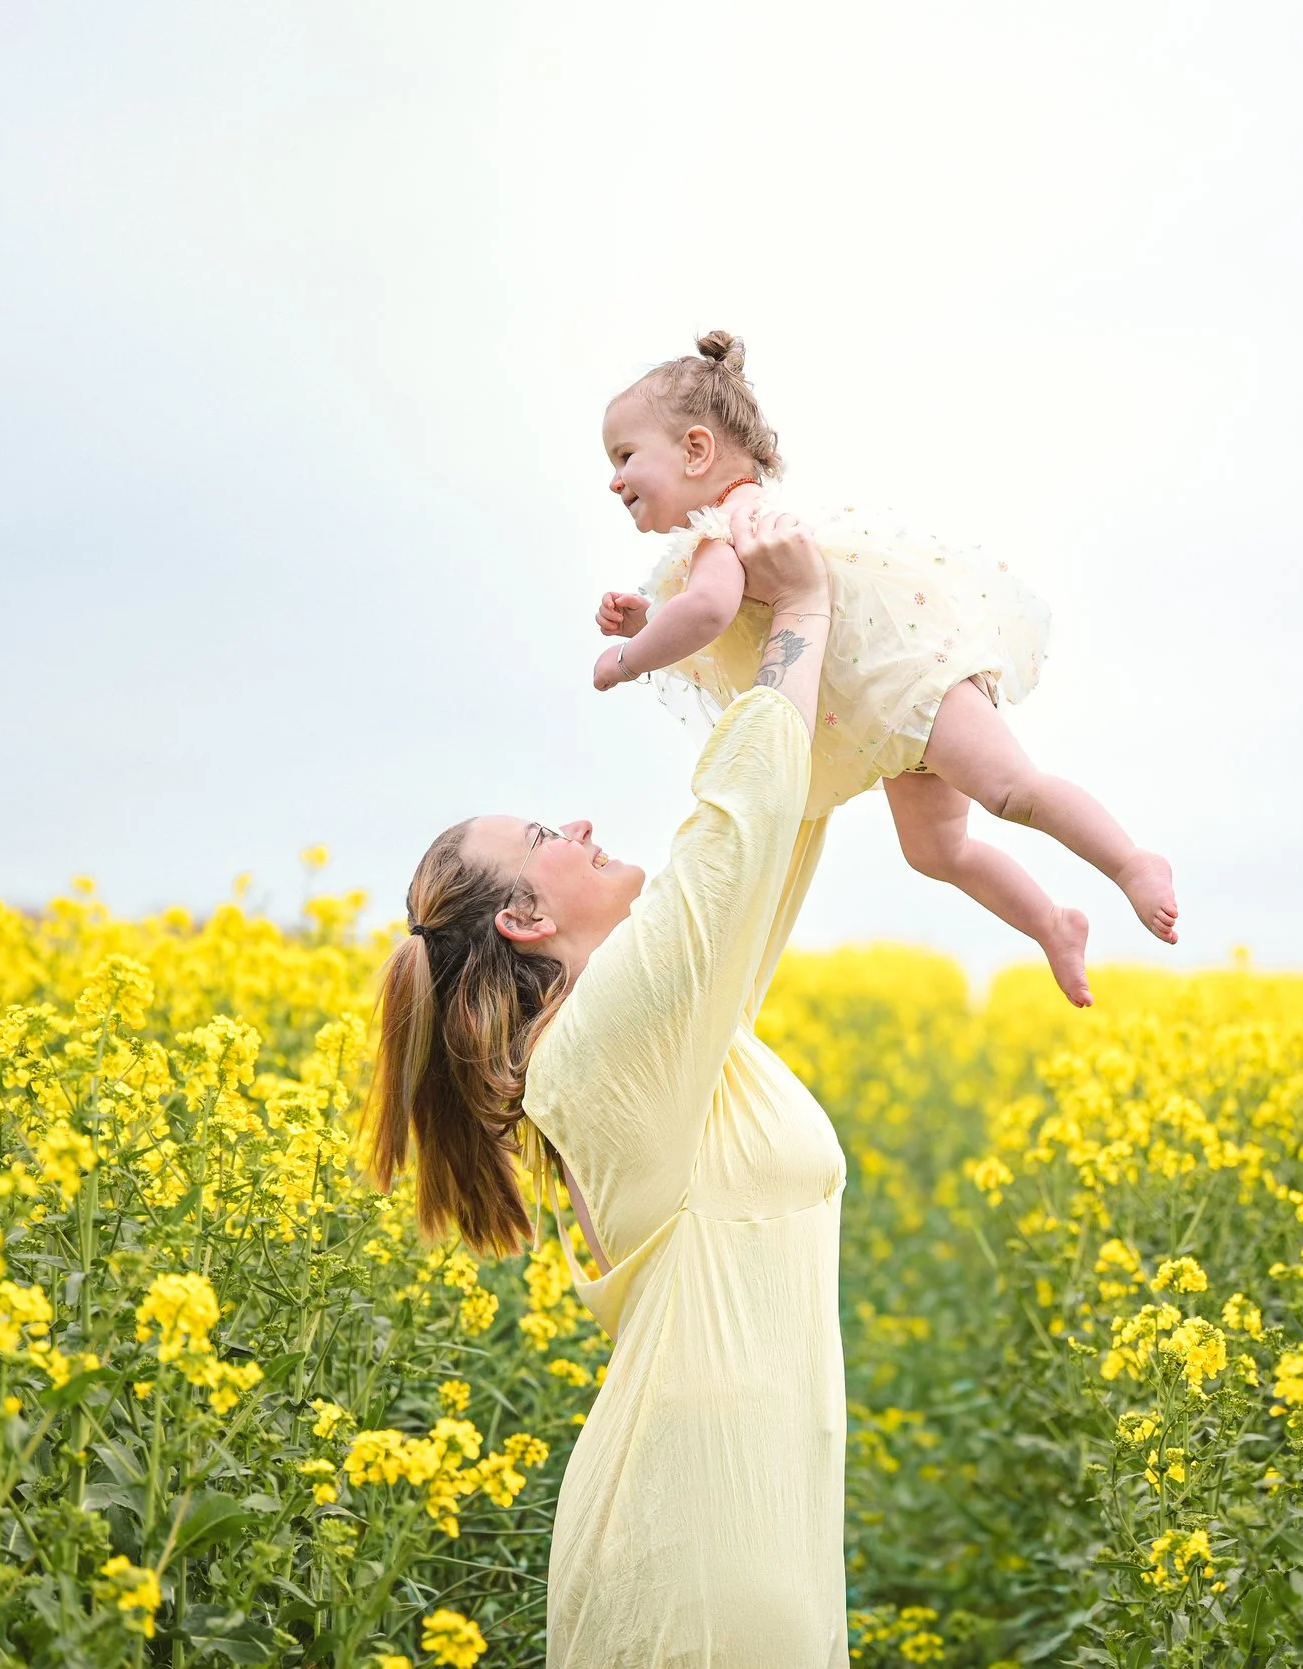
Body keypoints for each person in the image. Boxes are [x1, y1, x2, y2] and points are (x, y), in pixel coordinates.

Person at [369, 503, 849, 1666]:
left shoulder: (663, 1038)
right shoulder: (595, 1052)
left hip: (747, 1522)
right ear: (526, 918)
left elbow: (777, 828)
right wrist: (800, 608)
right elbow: (729, 838)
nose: (579, 822)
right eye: (545, 833)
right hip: (698, 1545)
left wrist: (767, 635)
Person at [591, 330, 1180, 1007]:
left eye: (625, 456)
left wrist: (627, 658)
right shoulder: (733, 529)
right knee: (936, 851)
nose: (614, 479)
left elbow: (707, 613)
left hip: (912, 687)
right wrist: (647, 620)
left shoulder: (725, 529)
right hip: (891, 719)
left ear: (696, 450)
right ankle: (1052, 923)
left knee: (1011, 790)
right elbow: (720, 618)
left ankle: (1131, 862)